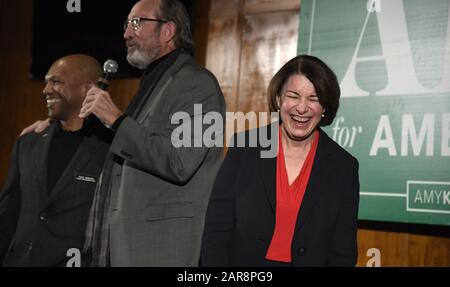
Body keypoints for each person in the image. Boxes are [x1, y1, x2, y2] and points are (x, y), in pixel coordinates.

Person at [77, 0, 224, 266]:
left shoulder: (196, 84)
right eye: (126, 24)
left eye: (137, 23)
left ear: (168, 31)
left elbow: (179, 162)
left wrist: (118, 120)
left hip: (159, 250)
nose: (126, 33)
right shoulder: (155, 81)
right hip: (124, 246)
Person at [201, 55, 360, 267]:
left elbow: (343, 252)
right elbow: (216, 231)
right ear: (278, 99)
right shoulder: (245, 147)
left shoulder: (343, 167)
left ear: (324, 108)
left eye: (313, 99)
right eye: (293, 96)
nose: (302, 108)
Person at [0, 54, 112, 266]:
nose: (46, 90)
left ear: (88, 89)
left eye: (56, 82)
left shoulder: (111, 148)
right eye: (46, 82)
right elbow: (8, 212)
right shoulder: (29, 142)